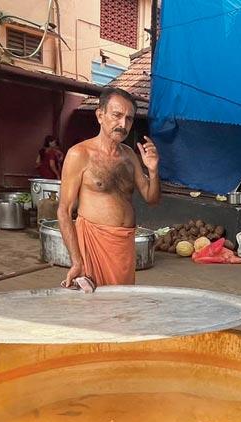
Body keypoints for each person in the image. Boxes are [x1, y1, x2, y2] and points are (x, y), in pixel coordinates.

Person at [58, 87, 160, 288]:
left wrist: (154, 171)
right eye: (117, 115)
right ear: (100, 115)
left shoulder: (130, 155)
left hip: (124, 246)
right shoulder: (80, 154)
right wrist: (76, 261)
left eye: (129, 118)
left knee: (121, 310)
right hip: (93, 245)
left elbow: (151, 198)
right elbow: (64, 210)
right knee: (97, 313)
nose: (123, 124)